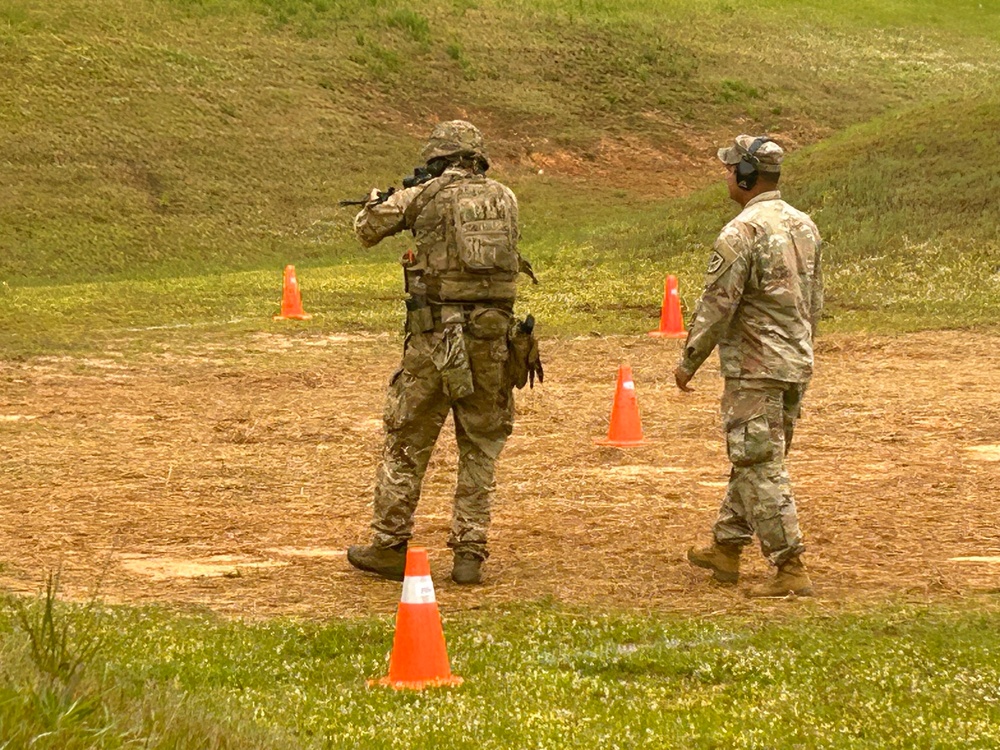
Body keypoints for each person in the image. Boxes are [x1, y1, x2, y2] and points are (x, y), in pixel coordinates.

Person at [346, 120, 541, 585]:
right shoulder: (506, 198)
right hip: (492, 340)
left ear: (438, 158)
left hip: (434, 341)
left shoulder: (425, 196)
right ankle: (469, 553)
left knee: (407, 441)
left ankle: (390, 544)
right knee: (480, 447)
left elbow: (367, 229)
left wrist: (379, 198)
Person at [675, 134, 823, 597]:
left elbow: (717, 305)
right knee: (756, 458)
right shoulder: (805, 226)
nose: (725, 176)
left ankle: (790, 566)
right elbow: (815, 302)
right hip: (794, 362)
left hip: (755, 368)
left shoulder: (740, 232)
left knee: (758, 463)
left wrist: (689, 360)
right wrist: (800, 348)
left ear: (745, 175)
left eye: (729, 168)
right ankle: (727, 546)